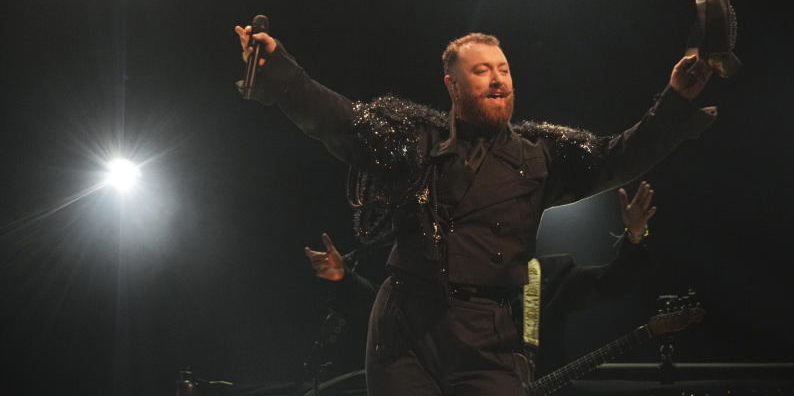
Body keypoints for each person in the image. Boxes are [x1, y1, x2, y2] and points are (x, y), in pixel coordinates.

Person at [235, 27, 716, 395]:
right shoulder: (415, 140)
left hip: (491, 336)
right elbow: (337, 120)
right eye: (482, 70)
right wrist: (280, 69)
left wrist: (675, 102)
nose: (497, 79)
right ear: (452, 84)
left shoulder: (539, 156)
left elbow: (617, 157)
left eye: (504, 69)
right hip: (408, 328)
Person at [304, 182, 659, 381]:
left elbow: (610, 282)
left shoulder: (545, 276)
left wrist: (635, 236)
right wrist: (343, 279)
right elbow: (394, 311)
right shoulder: (453, 277)